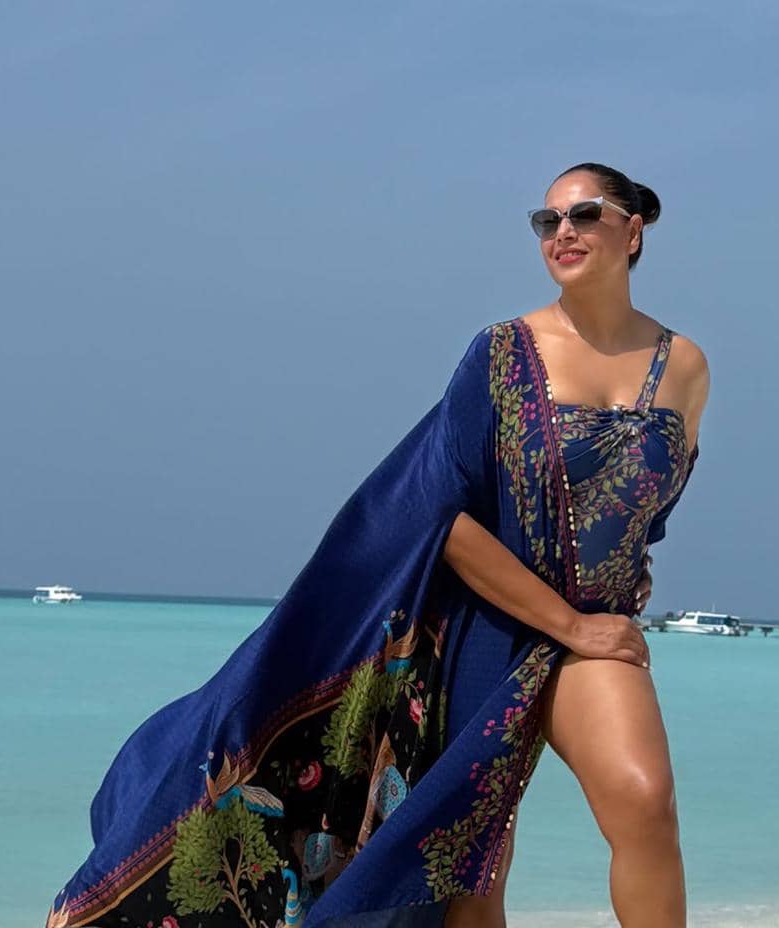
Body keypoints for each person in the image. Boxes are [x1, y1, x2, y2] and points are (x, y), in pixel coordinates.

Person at [48, 161, 708, 928]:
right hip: (491, 626)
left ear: (633, 230)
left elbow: (653, 506)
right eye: (547, 220)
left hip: (593, 633)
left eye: (583, 214)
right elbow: (440, 516)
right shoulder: (503, 353)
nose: (562, 232)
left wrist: (622, 576)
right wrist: (568, 622)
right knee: (469, 877)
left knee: (645, 802)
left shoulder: (685, 368)